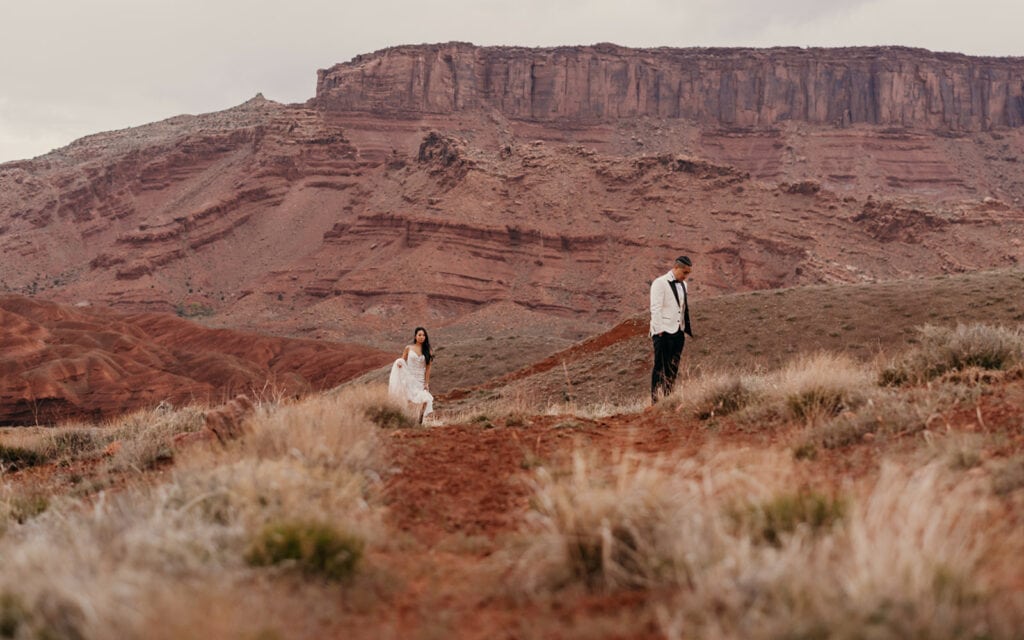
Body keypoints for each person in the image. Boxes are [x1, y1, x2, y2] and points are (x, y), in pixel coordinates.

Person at [649, 256, 693, 404]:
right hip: (663, 332)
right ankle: (655, 401)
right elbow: (655, 308)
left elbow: (682, 308)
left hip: (678, 332)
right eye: (684, 272)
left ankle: (668, 399)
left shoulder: (684, 285)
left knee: (673, 367)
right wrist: (659, 330)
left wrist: (683, 330)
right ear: (676, 268)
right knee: (660, 367)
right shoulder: (659, 283)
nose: (686, 276)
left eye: (688, 273)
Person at [388, 326, 434, 423]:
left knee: (425, 399)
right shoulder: (408, 348)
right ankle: (408, 420)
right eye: (419, 335)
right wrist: (399, 363)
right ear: (415, 336)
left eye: (423, 335)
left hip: (420, 379)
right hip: (409, 377)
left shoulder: (428, 350)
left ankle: (420, 419)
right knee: (409, 400)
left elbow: (428, 368)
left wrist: (426, 383)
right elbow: (402, 360)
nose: (421, 337)